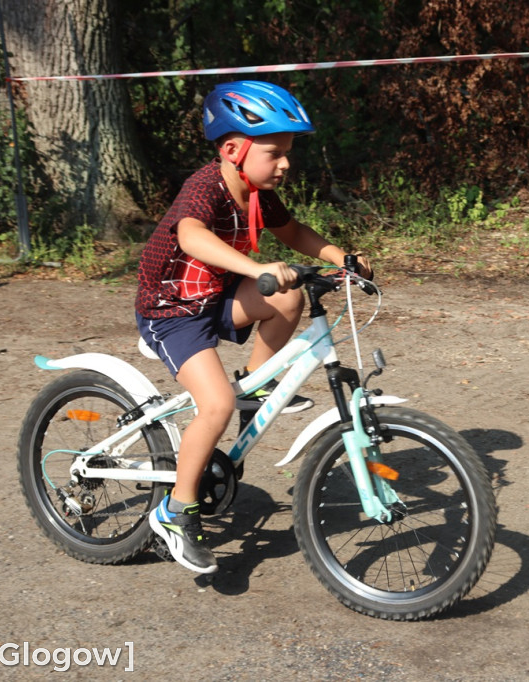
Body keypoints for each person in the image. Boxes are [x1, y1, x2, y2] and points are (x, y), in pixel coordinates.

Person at [134, 80, 372, 574]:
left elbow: (293, 232)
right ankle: (176, 511)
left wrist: (340, 257)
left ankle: (254, 387)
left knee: (288, 295)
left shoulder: (259, 191)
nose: (285, 163)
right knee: (214, 404)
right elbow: (191, 235)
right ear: (232, 149)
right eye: (274, 153)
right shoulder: (205, 187)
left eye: (288, 152)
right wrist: (253, 271)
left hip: (214, 298)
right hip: (172, 310)